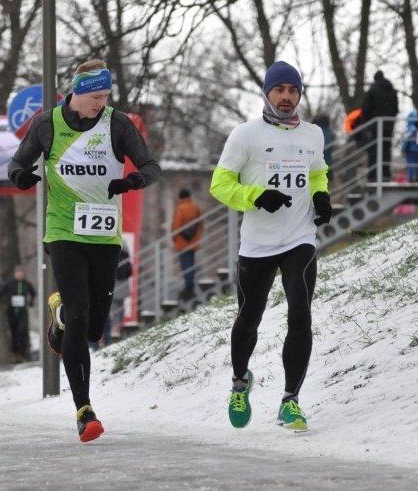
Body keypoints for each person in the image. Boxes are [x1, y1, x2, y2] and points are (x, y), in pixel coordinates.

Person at [7, 58, 162, 442]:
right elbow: (16, 164)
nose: (101, 102)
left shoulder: (117, 123)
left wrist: (133, 181)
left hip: (105, 236)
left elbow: (152, 166)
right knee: (79, 316)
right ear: (75, 91)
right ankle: (84, 410)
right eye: (95, 95)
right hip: (64, 232)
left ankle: (60, 314)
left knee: (92, 327)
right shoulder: (46, 124)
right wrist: (23, 177)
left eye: (106, 95)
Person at [209, 61, 331, 432]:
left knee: (301, 313)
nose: (286, 97)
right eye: (279, 90)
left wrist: (321, 194)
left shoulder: (313, 135)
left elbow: (317, 171)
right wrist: (256, 195)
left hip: (299, 238)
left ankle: (290, 401)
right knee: (249, 319)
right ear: (266, 93)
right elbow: (220, 184)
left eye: (293, 91)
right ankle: (240, 383)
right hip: (258, 244)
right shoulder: (245, 135)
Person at [359, 71, 399, 181]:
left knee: (374, 150)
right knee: (386, 149)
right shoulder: (392, 91)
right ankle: (385, 173)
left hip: (375, 126)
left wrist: (366, 121)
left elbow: (365, 109)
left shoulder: (373, 91)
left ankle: (373, 174)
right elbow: (396, 109)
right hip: (388, 125)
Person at [0, 265, 36, 363]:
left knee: (22, 330)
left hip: (23, 310)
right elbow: (0, 294)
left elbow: (33, 293)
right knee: (14, 332)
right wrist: (7, 301)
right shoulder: (9, 283)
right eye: (17, 273)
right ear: (15, 274)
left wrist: (31, 302)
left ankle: (23, 352)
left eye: (21, 273)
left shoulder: (26, 284)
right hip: (12, 311)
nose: (19, 275)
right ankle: (16, 354)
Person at [171, 188, 204, 302]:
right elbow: (201, 225)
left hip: (181, 243)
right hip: (193, 242)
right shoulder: (196, 208)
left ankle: (188, 286)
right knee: (190, 264)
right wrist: (196, 238)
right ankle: (190, 285)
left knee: (185, 265)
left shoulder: (180, 208)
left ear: (180, 197)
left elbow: (176, 226)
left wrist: (174, 239)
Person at [109, 241, 132, 341]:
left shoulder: (111, 248)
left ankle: (115, 327)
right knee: (120, 306)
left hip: (114, 281)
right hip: (122, 282)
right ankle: (118, 326)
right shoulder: (124, 246)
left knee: (113, 306)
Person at [402, 109, 418, 182]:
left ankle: (411, 178)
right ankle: (417, 177)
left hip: (410, 150)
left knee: (410, 164)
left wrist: (403, 148)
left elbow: (405, 141)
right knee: (417, 163)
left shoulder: (409, 129)